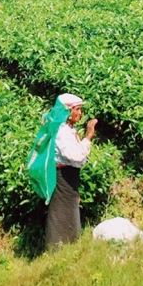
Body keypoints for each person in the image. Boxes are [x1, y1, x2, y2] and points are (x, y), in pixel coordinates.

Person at [47, 92, 96, 250]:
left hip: (70, 177)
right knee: (62, 214)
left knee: (70, 213)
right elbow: (75, 156)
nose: (80, 114)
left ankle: (68, 250)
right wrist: (88, 136)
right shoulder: (62, 132)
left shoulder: (68, 130)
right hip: (63, 178)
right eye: (78, 109)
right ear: (68, 112)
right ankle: (57, 251)